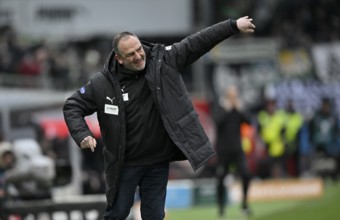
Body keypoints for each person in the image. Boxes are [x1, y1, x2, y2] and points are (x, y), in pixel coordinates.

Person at [63, 16, 256, 220]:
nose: (138, 56)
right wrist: (82, 134)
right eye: (131, 54)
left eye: (139, 49)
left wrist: (232, 25)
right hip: (124, 163)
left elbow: (198, 42)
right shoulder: (102, 83)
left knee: (154, 216)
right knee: (117, 214)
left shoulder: (164, 60)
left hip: (157, 162)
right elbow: (72, 106)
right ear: (119, 58)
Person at [214, 86, 253, 219]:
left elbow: (248, 121)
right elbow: (217, 122)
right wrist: (227, 109)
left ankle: (245, 205)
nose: (233, 99)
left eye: (235, 96)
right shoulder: (221, 107)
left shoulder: (238, 109)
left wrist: (240, 108)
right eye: (231, 96)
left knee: (246, 174)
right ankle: (221, 209)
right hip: (223, 150)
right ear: (227, 96)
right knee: (220, 179)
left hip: (237, 149)